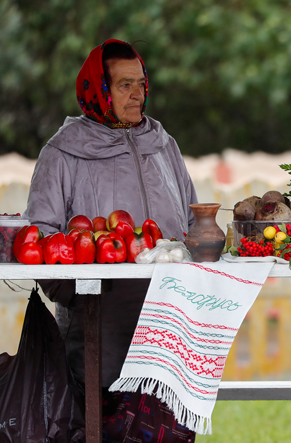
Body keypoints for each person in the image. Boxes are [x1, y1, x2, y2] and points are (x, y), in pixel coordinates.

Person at [25, 39, 198, 439]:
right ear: (97, 91)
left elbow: (190, 219)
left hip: (170, 330)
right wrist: (83, 297)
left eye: (141, 83)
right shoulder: (63, 152)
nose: (138, 94)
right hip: (100, 336)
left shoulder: (163, 144)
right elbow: (42, 239)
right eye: (124, 85)